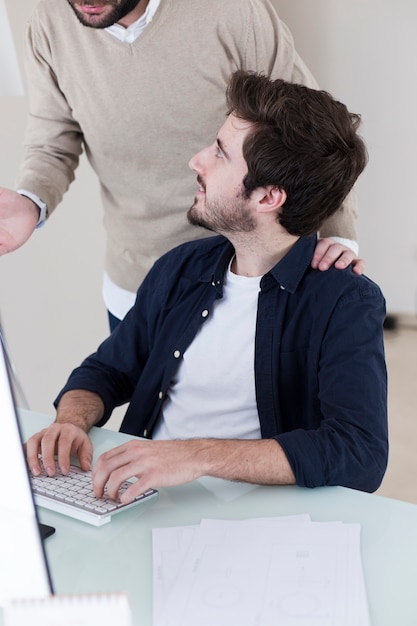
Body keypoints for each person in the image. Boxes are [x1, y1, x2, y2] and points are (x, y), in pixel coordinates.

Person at [26, 71, 388, 501]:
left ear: (269, 197)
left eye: (220, 153)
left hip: (252, 524)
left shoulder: (345, 300)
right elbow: (108, 370)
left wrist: (195, 455)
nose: (197, 161)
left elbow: (359, 452)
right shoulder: (180, 268)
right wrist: (70, 420)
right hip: (139, 497)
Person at [0, 0, 363, 330]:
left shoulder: (232, 11)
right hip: (136, 281)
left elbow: (314, 130)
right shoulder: (48, 23)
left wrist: (338, 235)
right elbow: (54, 135)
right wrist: (32, 199)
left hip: (248, 278)